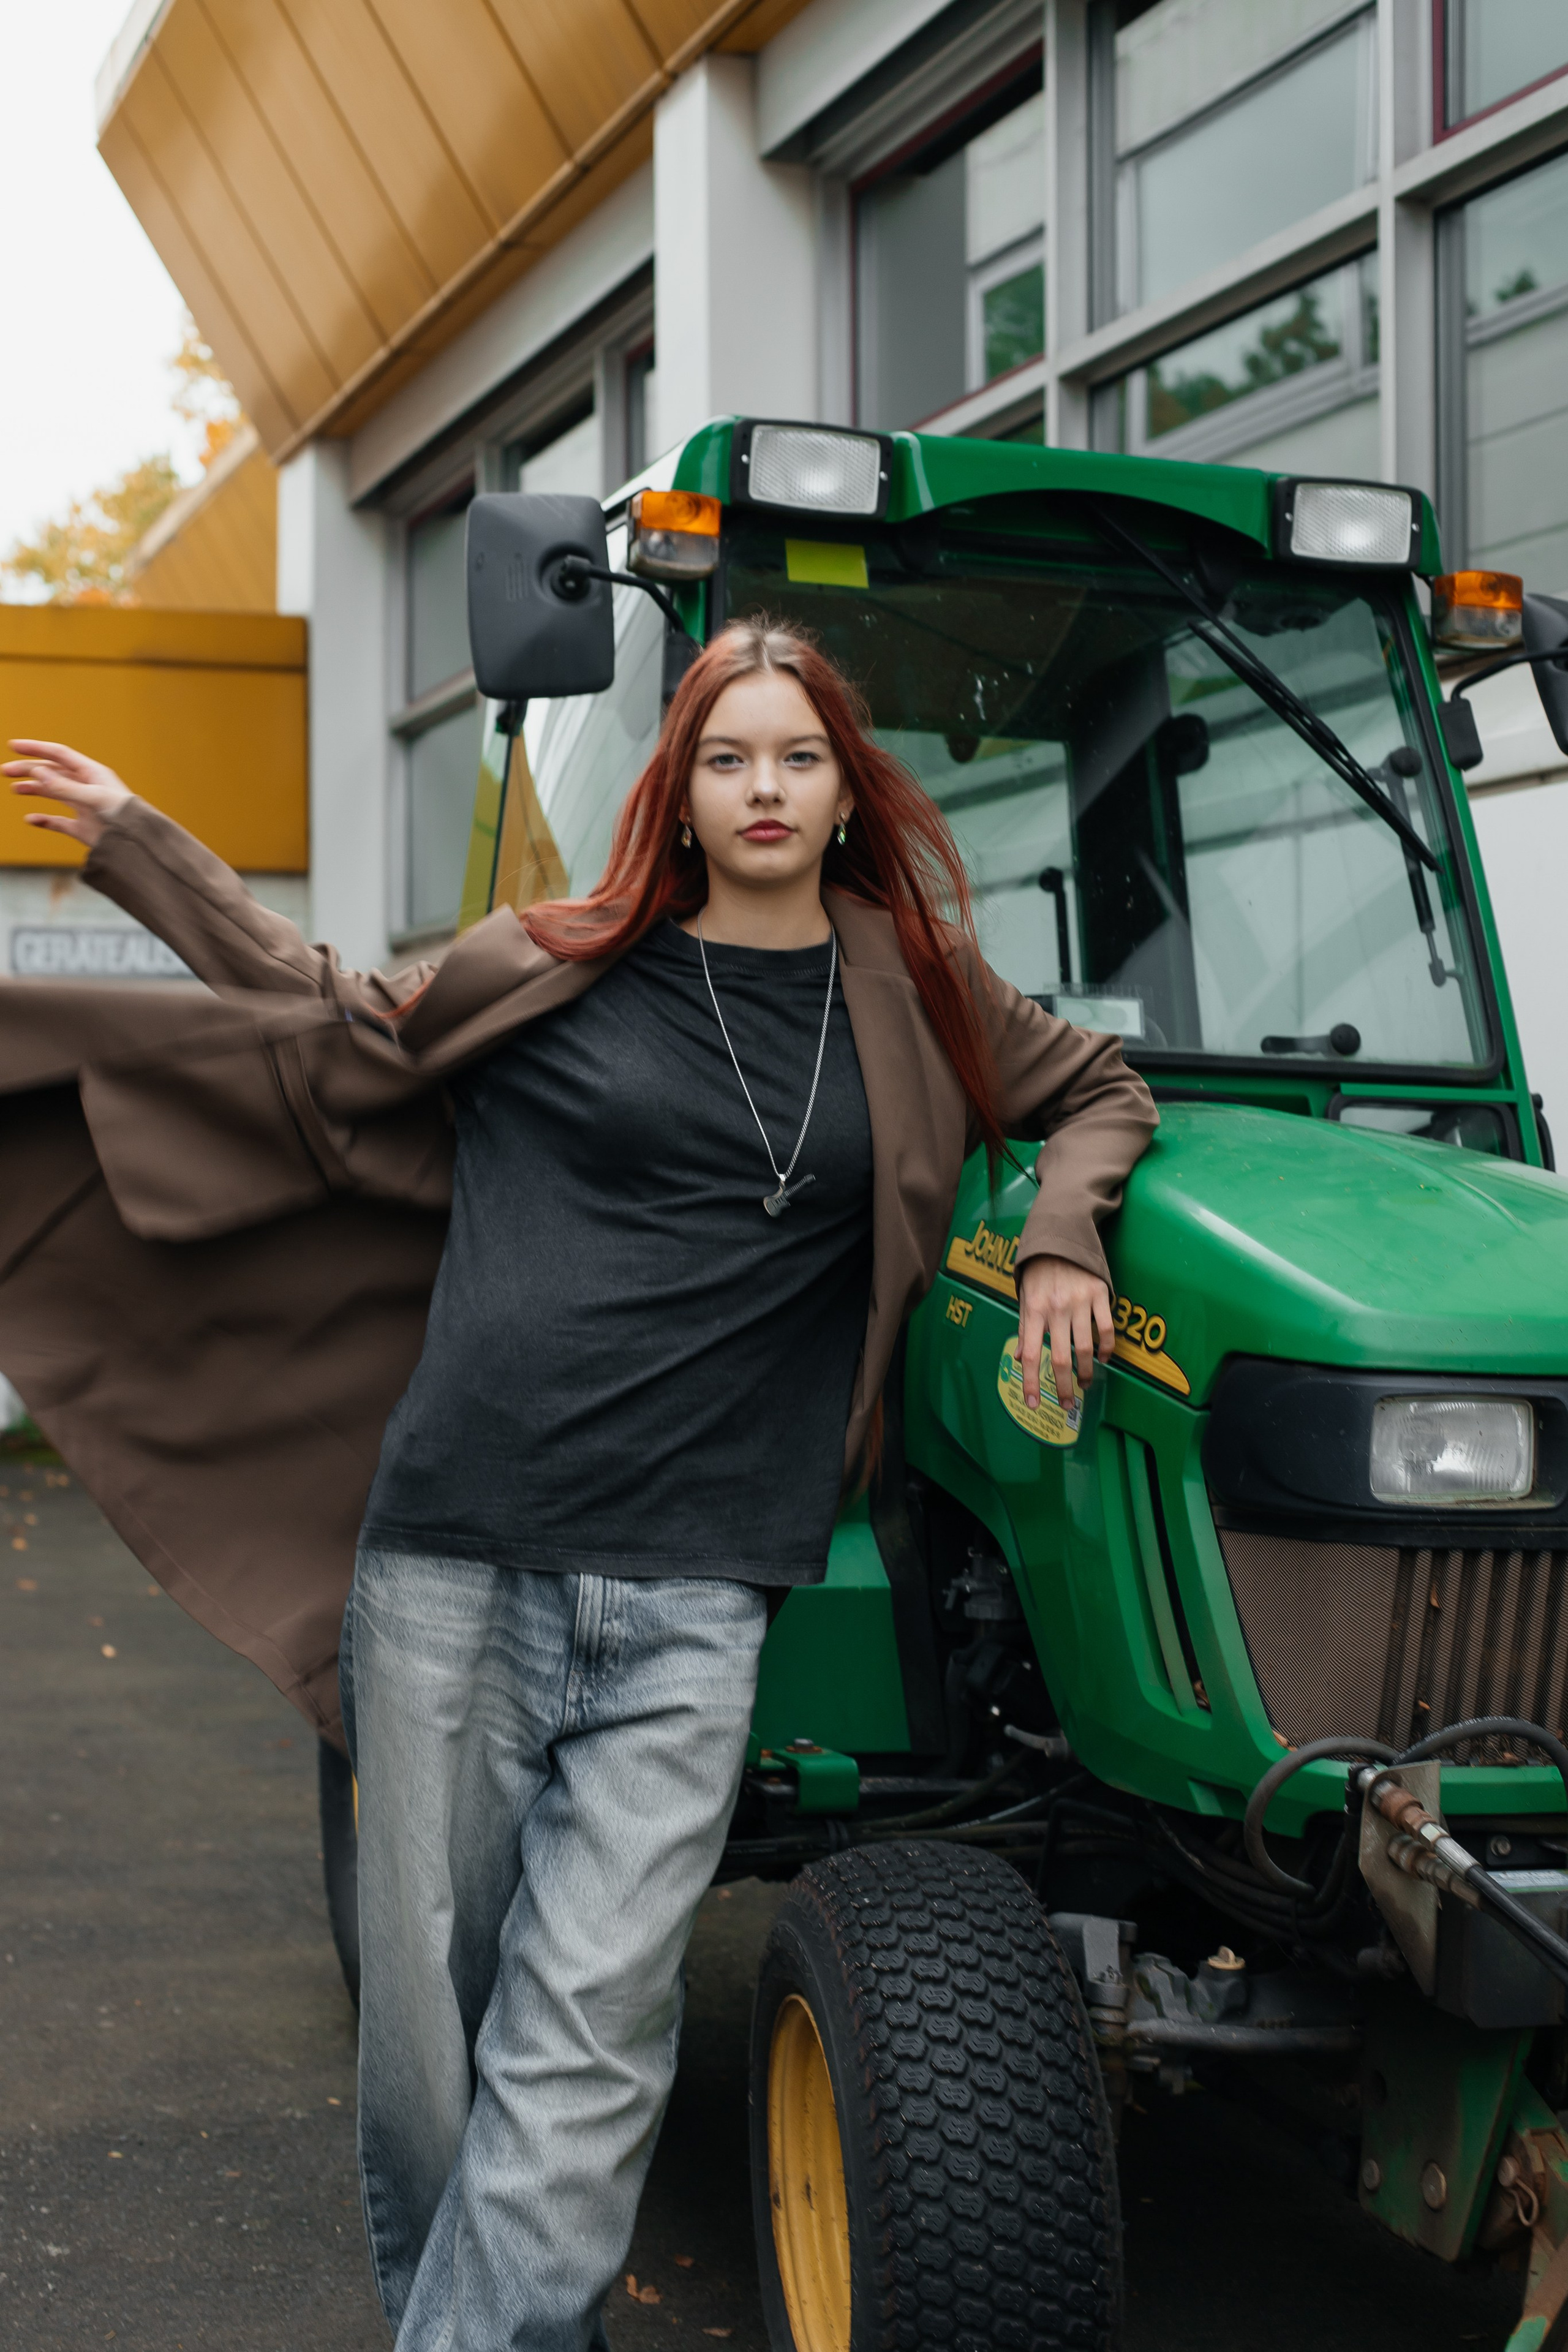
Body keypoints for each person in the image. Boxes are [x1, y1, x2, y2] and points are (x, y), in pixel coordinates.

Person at [2, 619, 1156, 2352]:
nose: (764, 788)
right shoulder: (558, 958)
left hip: (700, 1598)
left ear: (846, 791)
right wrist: (143, 846)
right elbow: (328, 1006)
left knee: (592, 2038)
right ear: (679, 795)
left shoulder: (912, 992)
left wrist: (1065, 1238)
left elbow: (1100, 1089)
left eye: (798, 757)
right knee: (431, 2039)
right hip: (458, 1562)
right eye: (726, 758)